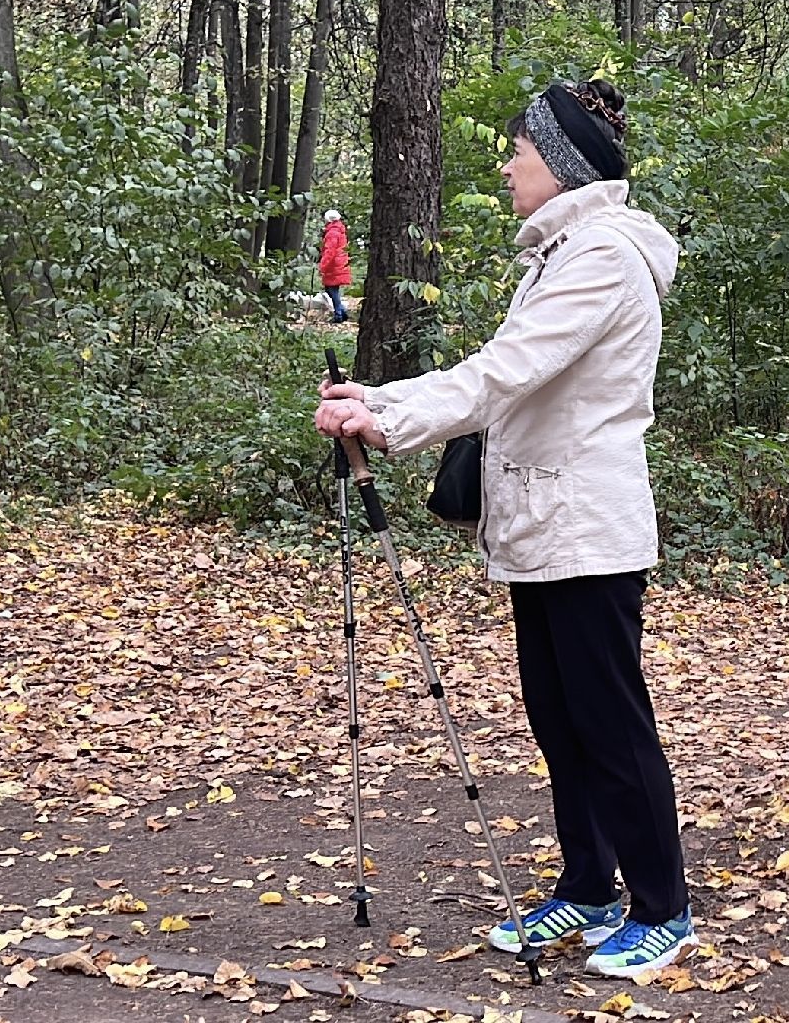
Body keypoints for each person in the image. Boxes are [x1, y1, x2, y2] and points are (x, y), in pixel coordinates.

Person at [312, 79, 693, 979]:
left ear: (560, 166)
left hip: (587, 530)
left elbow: (502, 375)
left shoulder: (601, 257)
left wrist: (389, 425)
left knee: (611, 724)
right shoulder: (559, 255)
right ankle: (589, 887)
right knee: (561, 721)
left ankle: (663, 907)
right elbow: (496, 373)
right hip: (544, 528)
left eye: (519, 153)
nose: (509, 167)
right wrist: (378, 399)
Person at [319, 209, 352, 322]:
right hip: (339, 263)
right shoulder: (339, 230)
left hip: (333, 265)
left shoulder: (332, 233)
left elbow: (329, 251)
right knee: (331, 290)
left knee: (332, 290)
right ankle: (341, 311)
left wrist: (323, 265)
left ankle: (339, 314)